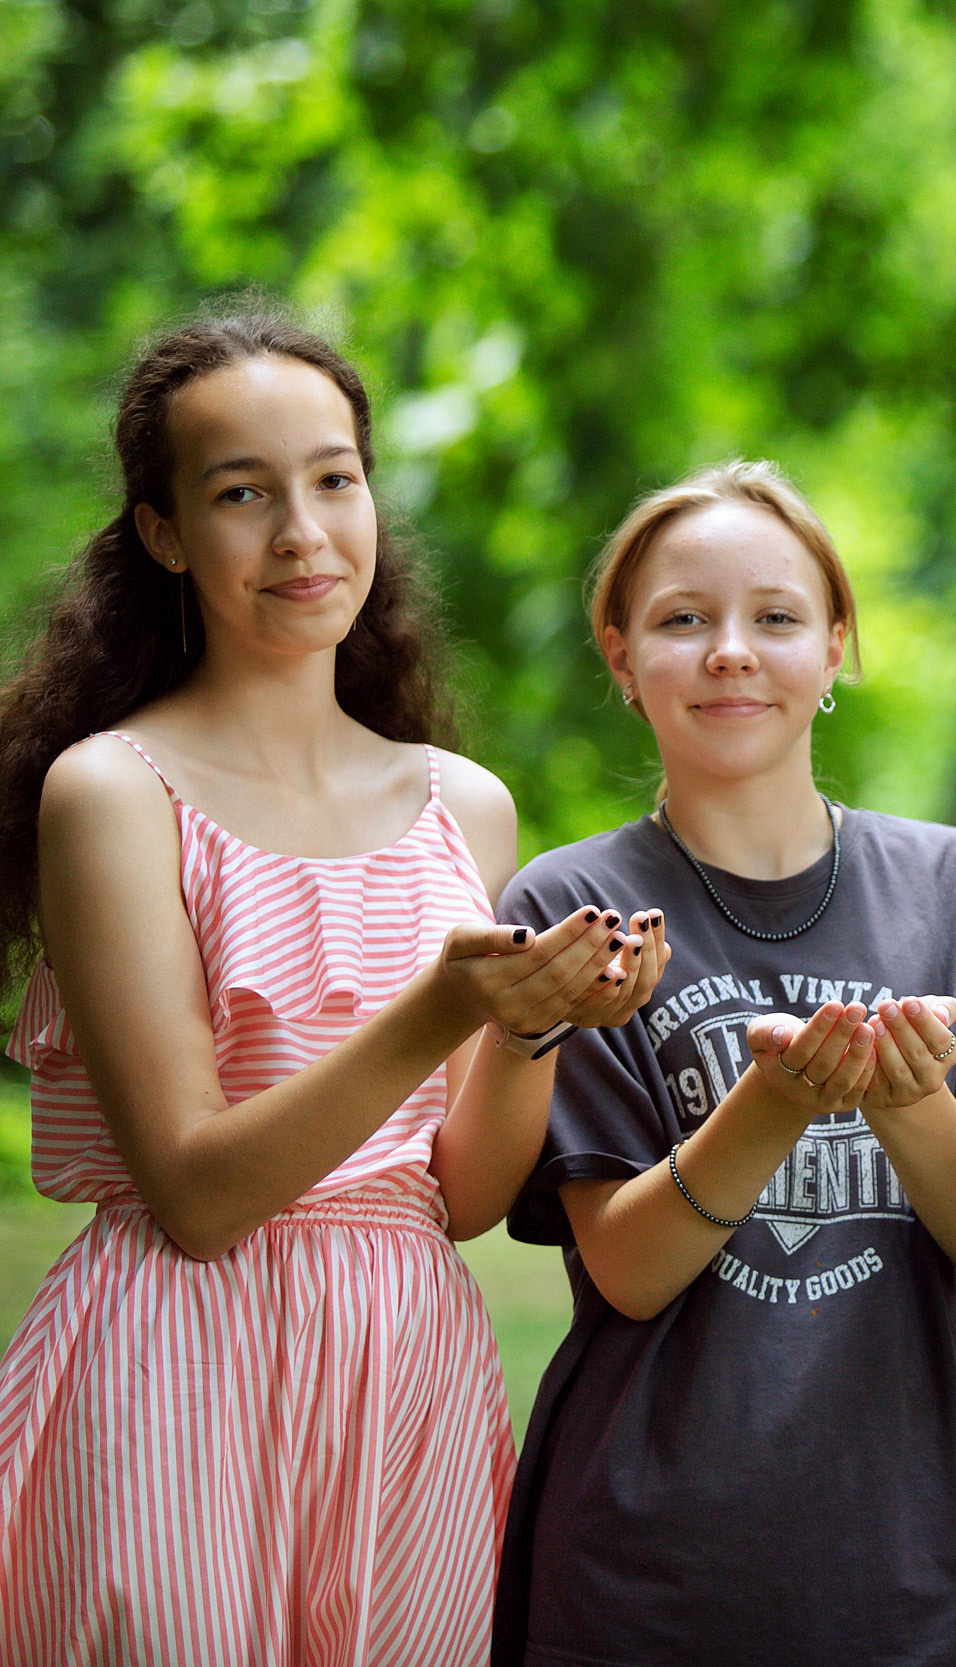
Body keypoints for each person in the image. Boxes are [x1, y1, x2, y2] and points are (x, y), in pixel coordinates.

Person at [0, 310, 661, 1661]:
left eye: (333, 477)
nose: (302, 531)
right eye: (243, 492)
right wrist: (438, 1009)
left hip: (403, 1363)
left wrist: (531, 1017)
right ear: (165, 532)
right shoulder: (116, 793)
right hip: (176, 1366)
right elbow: (193, 1193)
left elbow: (461, 1195)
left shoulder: (461, 806)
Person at [489, 461, 956, 1666]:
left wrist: (909, 1103)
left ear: (837, 645)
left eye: (778, 616)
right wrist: (776, 1100)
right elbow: (629, 1268)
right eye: (682, 619)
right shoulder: (573, 905)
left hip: (917, 1552)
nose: (730, 651)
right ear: (620, 654)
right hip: (646, 1568)